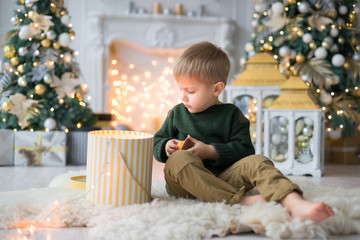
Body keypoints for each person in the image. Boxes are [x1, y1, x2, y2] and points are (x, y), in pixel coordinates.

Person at [153, 41, 334, 222]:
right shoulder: (177, 113)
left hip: (224, 178)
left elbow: (245, 150)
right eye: (180, 89)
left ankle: (294, 202)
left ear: (216, 89)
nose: (183, 96)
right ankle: (240, 202)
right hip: (186, 185)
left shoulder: (231, 114)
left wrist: (211, 151)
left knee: (258, 161)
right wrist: (166, 146)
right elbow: (157, 141)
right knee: (179, 159)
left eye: (190, 91)